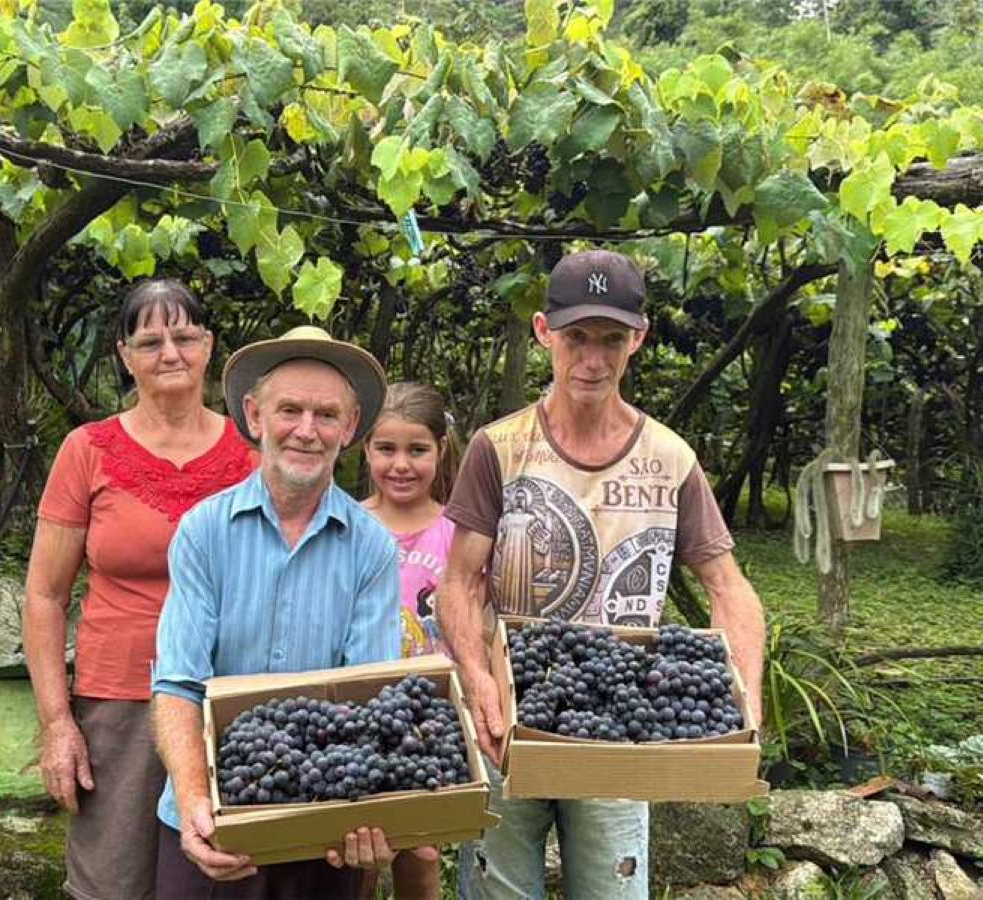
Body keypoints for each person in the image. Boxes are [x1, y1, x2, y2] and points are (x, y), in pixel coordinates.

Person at [437, 250, 766, 900]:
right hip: (513, 711)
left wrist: (744, 701)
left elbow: (730, 588)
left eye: (611, 339)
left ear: (637, 339)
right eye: (576, 337)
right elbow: (460, 582)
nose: (592, 359)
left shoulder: (670, 458)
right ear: (542, 332)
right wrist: (477, 679)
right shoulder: (497, 448)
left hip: (621, 723)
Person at [152, 325, 434, 899]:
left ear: (350, 428)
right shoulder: (204, 532)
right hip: (216, 811)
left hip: (323, 823)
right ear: (255, 416)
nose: (307, 431)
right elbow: (179, 682)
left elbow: (366, 694)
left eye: (327, 415)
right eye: (290, 410)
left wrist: (365, 808)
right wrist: (194, 801)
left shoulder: (371, 548)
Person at [23, 279, 256, 900]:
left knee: (219, 874)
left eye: (184, 336)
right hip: (118, 700)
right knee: (112, 880)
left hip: (227, 699)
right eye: (150, 341)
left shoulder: (252, 452)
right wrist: (55, 723)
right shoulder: (87, 451)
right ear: (125, 355)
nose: (170, 353)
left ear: (209, 345)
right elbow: (44, 595)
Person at [359, 382, 462, 899]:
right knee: (350, 848)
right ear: (365, 449)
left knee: (419, 851)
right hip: (356, 708)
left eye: (417, 450)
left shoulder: (457, 532)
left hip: (429, 717)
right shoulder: (349, 524)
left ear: (440, 450)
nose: (401, 464)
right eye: (386, 448)